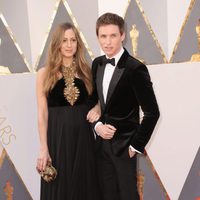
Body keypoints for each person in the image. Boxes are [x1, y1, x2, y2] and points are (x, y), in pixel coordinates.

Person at [91, 13, 160, 200]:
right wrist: (97, 126)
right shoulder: (97, 64)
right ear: (97, 37)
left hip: (124, 149)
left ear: (122, 35)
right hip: (101, 149)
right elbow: (93, 104)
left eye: (113, 35)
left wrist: (135, 146)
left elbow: (152, 112)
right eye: (103, 36)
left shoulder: (135, 68)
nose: (107, 42)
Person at [36, 22, 100, 200]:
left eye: (73, 40)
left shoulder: (87, 71)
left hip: (84, 139)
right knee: (60, 188)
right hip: (57, 138)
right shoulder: (44, 73)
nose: (69, 44)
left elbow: (99, 102)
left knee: (84, 186)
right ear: (57, 43)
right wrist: (43, 148)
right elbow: (42, 113)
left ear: (78, 43)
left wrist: (97, 108)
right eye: (64, 40)